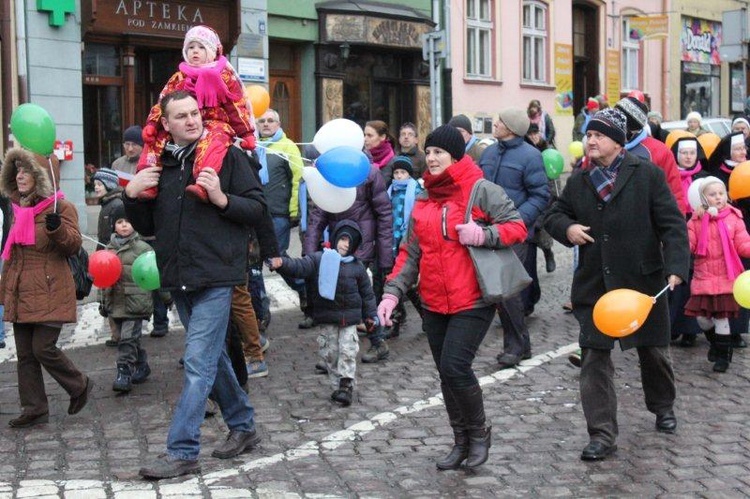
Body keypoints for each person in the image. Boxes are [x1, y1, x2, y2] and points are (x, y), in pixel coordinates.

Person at [125, 90, 265, 479]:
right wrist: (131, 195)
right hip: (179, 277)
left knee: (197, 364)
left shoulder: (228, 155)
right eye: (181, 116)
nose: (191, 120)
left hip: (218, 275)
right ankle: (243, 425)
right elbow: (151, 227)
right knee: (212, 360)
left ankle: (183, 450)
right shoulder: (163, 164)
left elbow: (256, 208)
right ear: (165, 124)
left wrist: (221, 198)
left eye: (194, 113)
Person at [377, 124, 527, 470]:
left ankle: (478, 433)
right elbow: (410, 252)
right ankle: (460, 441)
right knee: (446, 374)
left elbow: (517, 227)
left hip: (472, 298)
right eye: (428, 153)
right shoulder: (425, 197)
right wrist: (391, 294)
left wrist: (484, 234)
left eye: (438, 153)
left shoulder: (480, 190)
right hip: (433, 301)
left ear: (454, 156)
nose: (430, 158)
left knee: (455, 367)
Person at [544, 108, 689, 461]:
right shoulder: (580, 180)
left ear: (617, 142)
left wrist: (675, 267)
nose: (590, 141)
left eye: (598, 136)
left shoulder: (648, 175)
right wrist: (567, 228)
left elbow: (672, 224)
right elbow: (552, 215)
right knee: (594, 358)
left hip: (641, 282)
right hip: (596, 286)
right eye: (588, 135)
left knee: (653, 351)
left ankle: (662, 405)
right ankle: (601, 434)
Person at [0, 148, 93, 428]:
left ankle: (79, 385)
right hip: (22, 289)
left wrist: (57, 229)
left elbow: (74, 245)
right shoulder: (16, 208)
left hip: (51, 287)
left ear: (40, 176)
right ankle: (35, 408)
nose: (20, 176)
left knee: (43, 348)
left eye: (26, 170)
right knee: (25, 355)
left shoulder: (60, 207)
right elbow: (12, 253)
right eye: (17, 170)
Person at [136, 25, 255, 202]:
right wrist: (152, 124)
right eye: (191, 47)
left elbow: (237, 106)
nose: (195, 52)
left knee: (214, 141)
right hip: (186, 122)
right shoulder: (179, 77)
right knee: (155, 140)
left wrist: (246, 133)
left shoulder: (224, 76)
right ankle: (149, 182)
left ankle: (203, 184)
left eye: (201, 47)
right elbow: (163, 102)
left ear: (212, 51)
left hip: (215, 121)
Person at [269, 220, 377, 406]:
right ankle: (338, 386)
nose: (345, 245)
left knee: (347, 351)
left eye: (350, 242)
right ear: (335, 238)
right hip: (328, 317)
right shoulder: (320, 259)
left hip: (349, 320)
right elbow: (300, 266)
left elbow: (367, 295)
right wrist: (282, 263)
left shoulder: (357, 267)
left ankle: (346, 385)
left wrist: (371, 316)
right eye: (343, 239)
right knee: (330, 352)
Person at [478, 108, 549, 369]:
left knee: (507, 291)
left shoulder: (530, 156)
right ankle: (522, 344)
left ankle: (515, 346)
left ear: (511, 127)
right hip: (488, 230)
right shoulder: (488, 152)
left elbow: (541, 195)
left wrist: (516, 219)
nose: (494, 124)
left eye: (499, 121)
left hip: (516, 232)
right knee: (497, 290)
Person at [304, 164, 393, 364]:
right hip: (339, 244)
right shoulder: (330, 171)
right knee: (338, 299)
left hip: (363, 244)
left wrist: (385, 253)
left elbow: (384, 214)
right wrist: (309, 252)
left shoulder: (369, 172)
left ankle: (378, 342)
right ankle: (334, 352)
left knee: (364, 299)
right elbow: (319, 214)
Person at [686, 177, 750, 372]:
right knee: (702, 319)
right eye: (712, 195)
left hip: (726, 277)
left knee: (722, 318)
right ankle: (715, 344)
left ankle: (724, 356)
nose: (718, 198)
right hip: (704, 277)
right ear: (703, 198)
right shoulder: (696, 221)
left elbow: (743, 243)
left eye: (721, 193)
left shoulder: (733, 217)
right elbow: (690, 244)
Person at [256, 108, 307, 314]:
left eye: (270, 121)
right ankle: (260, 310)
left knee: (276, 258)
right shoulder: (253, 146)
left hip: (278, 213)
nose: (266, 124)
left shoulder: (287, 146)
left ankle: (303, 288)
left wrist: (294, 209)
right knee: (253, 262)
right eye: (262, 121)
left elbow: (298, 179)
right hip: (254, 213)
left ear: (278, 124)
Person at [99, 207, 153, 392]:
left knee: (127, 339)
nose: (124, 226)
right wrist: (102, 301)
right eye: (120, 222)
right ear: (114, 226)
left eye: (127, 222)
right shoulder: (109, 248)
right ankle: (142, 365)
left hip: (136, 301)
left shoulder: (143, 248)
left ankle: (124, 372)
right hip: (116, 302)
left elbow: (154, 274)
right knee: (126, 338)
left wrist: (166, 297)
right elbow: (102, 277)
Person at [615, 96, 687, 214]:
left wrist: (678, 227)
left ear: (631, 126)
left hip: (646, 223)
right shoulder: (602, 146)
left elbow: (675, 193)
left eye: (618, 120)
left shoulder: (658, 150)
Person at [668, 138, 707, 347]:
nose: (688, 156)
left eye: (692, 153)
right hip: (677, 232)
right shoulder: (668, 175)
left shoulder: (705, 178)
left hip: (702, 236)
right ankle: (674, 326)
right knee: (678, 281)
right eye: (684, 153)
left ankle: (691, 329)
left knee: (695, 283)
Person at [386, 155, 424, 337]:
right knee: (394, 281)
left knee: (409, 283)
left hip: (408, 241)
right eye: (396, 172)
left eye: (403, 172)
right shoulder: (390, 191)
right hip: (392, 242)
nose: (399, 176)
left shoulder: (415, 190)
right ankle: (396, 317)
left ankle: (424, 313)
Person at [365, 120, 396, 185]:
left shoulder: (393, 161)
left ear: (382, 137)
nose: (365, 139)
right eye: (365, 135)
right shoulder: (361, 157)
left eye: (369, 135)